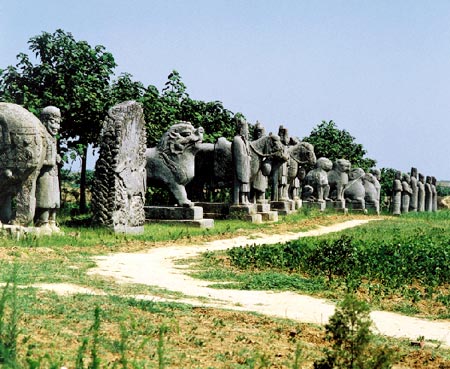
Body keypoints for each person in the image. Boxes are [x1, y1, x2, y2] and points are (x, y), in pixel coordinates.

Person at [35, 106, 61, 231]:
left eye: (58, 122)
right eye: (53, 122)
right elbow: (37, 157)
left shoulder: (53, 138)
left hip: (53, 173)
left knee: (54, 199)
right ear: (44, 121)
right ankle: (43, 222)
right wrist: (47, 161)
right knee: (45, 199)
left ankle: (52, 221)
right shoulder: (41, 136)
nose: (56, 126)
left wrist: (56, 158)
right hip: (44, 173)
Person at [231, 117, 251, 205]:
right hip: (241, 166)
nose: (248, 132)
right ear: (241, 129)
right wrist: (247, 157)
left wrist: (248, 157)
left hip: (245, 166)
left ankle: (245, 199)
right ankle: (241, 200)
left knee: (246, 184)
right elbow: (239, 156)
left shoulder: (244, 141)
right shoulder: (237, 140)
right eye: (246, 129)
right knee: (241, 183)